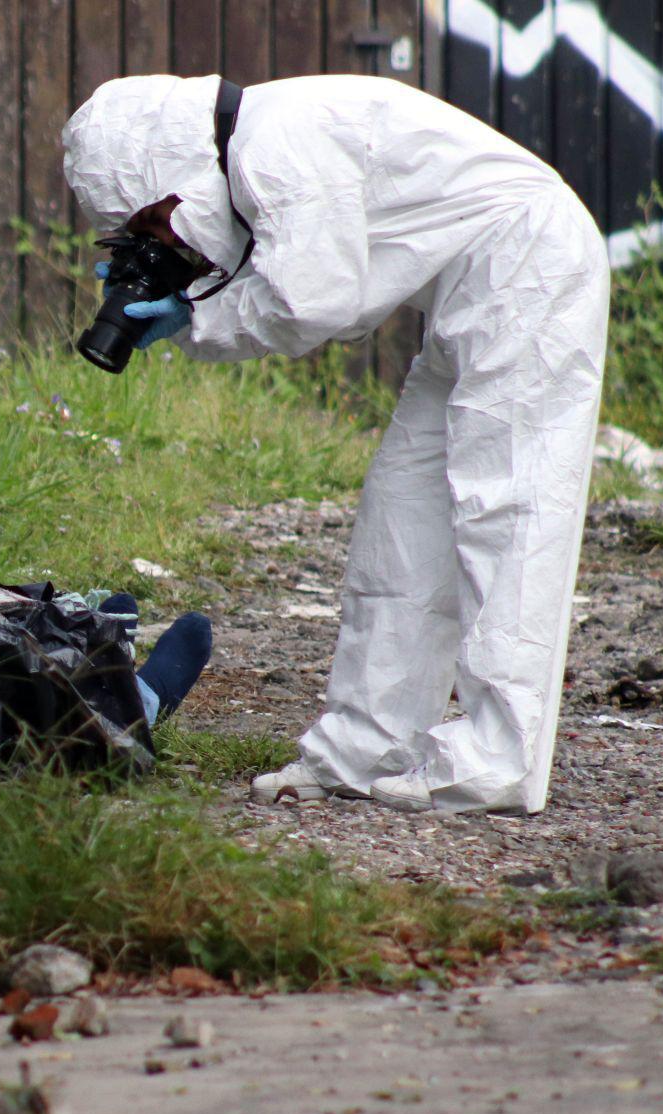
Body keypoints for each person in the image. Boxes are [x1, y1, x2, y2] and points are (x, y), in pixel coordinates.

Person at [62, 74, 609, 814]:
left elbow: (313, 300)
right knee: (403, 516)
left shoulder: (274, 144)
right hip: (475, 291)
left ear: (169, 161)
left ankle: (497, 761)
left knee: (507, 511)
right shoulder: (253, 153)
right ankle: (364, 750)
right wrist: (191, 299)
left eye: (157, 216)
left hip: (531, 272)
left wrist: (194, 316)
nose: (167, 234)